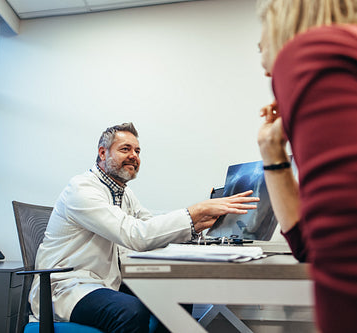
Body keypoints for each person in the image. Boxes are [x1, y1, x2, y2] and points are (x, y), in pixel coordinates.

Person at [29, 122, 259, 333]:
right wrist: (194, 212)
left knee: (179, 292)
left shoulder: (123, 192)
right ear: (102, 153)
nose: (133, 156)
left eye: (137, 151)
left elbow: (147, 225)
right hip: (68, 285)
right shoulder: (82, 190)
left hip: (106, 282)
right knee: (130, 311)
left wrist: (197, 224)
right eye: (125, 149)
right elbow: (135, 235)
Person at [256, 0, 357, 332]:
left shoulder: (314, 54)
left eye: (262, 22)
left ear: (284, 17)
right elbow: (309, 247)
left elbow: (356, 253)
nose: (259, 44)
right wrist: (271, 151)